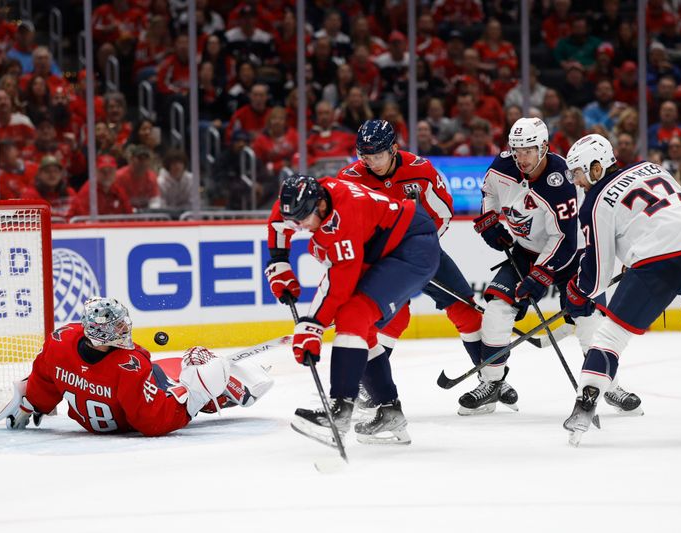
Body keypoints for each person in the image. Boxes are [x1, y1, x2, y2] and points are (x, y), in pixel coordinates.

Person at [562, 134, 681, 445]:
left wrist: (576, 291)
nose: (577, 180)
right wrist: (633, 253)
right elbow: (659, 214)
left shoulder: (595, 202)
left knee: (610, 336)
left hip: (660, 262)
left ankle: (584, 408)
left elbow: (596, 278)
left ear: (595, 168)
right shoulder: (652, 168)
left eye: (579, 172)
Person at [471, 118, 641, 416]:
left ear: (544, 148)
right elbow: (489, 192)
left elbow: (565, 239)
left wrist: (540, 275)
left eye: (529, 150)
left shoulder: (561, 180)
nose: (521, 158)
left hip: (571, 256)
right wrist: (488, 221)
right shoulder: (503, 164)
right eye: (516, 150)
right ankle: (492, 383)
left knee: (590, 321)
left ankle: (608, 385)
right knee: (497, 310)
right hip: (525, 252)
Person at [265, 174, 441, 445]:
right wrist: (279, 261)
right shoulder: (302, 198)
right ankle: (389, 410)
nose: (298, 228)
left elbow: (339, 285)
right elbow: (280, 219)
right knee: (361, 328)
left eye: (302, 221)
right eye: (294, 222)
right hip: (384, 244)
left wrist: (313, 325)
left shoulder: (342, 221)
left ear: (320, 206)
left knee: (353, 314)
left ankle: (340, 409)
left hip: (413, 248)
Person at [336, 119, 486, 414]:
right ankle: (372, 386)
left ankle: (491, 379)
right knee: (393, 316)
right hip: (381, 261)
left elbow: (443, 214)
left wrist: (420, 248)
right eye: (363, 156)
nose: (369, 162)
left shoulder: (421, 171)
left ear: (393, 149)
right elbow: (344, 227)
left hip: (423, 252)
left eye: (376, 155)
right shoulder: (350, 179)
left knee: (464, 307)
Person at [0, 297, 273, 436]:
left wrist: (31, 404)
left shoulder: (61, 341)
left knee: (169, 371)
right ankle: (233, 388)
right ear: (100, 334)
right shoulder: (129, 364)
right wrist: (194, 396)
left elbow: (44, 378)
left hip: (93, 420)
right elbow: (150, 421)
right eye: (116, 326)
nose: (123, 328)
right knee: (189, 377)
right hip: (127, 419)